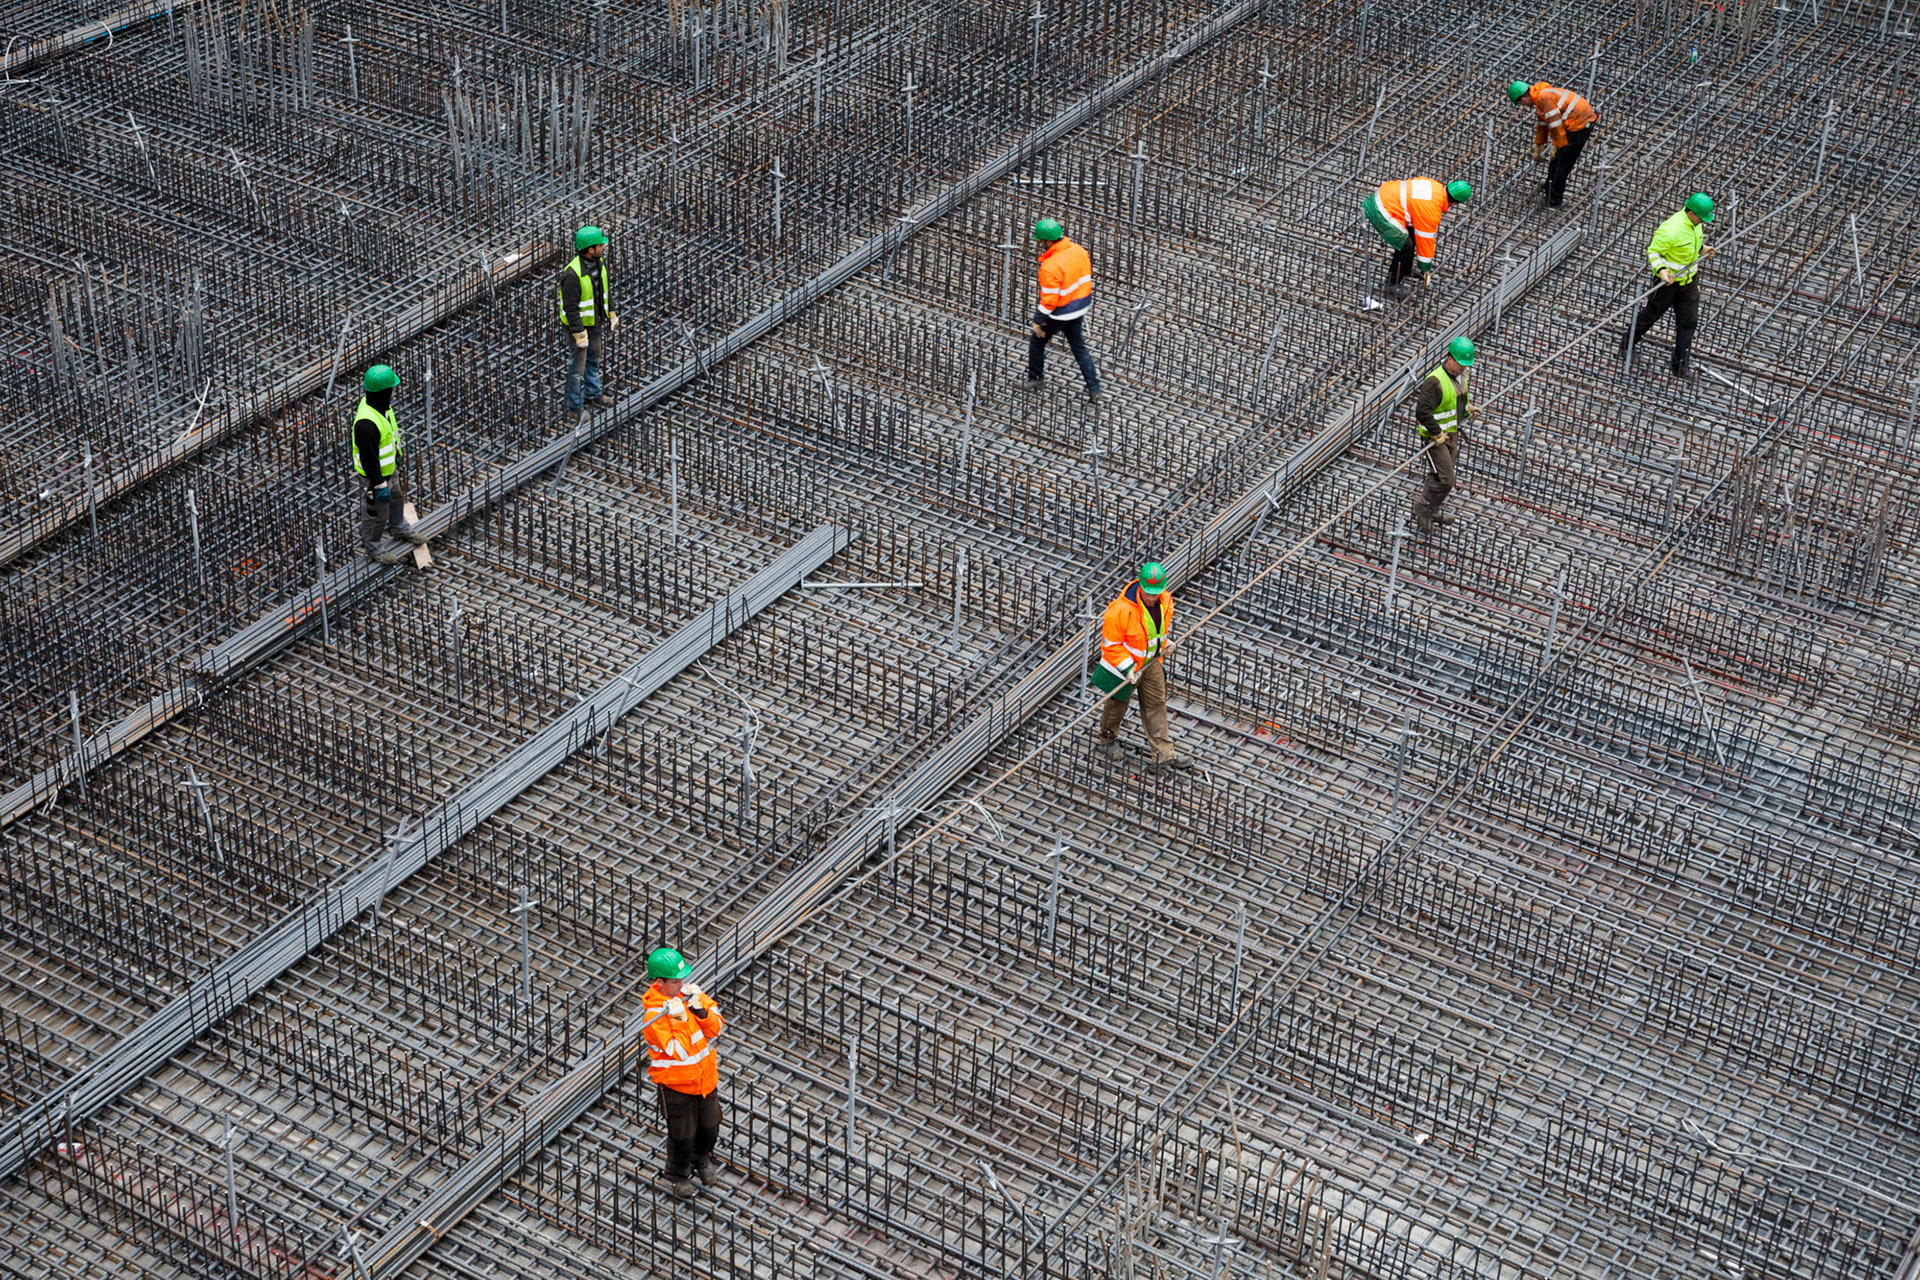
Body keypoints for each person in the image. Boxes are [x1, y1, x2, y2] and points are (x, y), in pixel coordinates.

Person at [1092, 562, 1191, 775]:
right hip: (1124, 667)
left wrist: (1166, 644)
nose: (1152, 597)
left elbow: (1155, 632)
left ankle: (1163, 753)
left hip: (1150, 663)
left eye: (1156, 593)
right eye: (1148, 593)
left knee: (1156, 703)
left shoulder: (1165, 602)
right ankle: (1106, 738)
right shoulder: (1120, 610)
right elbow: (1111, 646)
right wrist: (1128, 668)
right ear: (1141, 586)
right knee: (1117, 704)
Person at [643, 947, 725, 1198]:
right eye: (676, 981)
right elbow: (677, 1050)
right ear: (660, 982)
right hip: (677, 1087)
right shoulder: (655, 1015)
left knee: (710, 1127)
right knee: (682, 1136)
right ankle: (678, 1175)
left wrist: (701, 1012)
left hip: (705, 1080)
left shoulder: (692, 995)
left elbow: (717, 1028)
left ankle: (701, 1161)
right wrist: (679, 1018)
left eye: (683, 979)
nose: (681, 985)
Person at [1620, 193, 1716, 381]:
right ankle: (1626, 345)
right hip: (1667, 285)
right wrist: (1662, 271)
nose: (1703, 223)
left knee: (1688, 323)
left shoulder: (1695, 226)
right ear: (1691, 213)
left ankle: (1680, 366)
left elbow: (1689, 246)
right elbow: (1653, 252)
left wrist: (1702, 249)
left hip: (1688, 283)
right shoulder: (1671, 228)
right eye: (1701, 218)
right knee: (1650, 316)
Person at [351, 364, 427, 564]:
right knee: (376, 512)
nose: (393, 392)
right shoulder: (366, 424)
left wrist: (397, 455)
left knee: (396, 499)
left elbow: (390, 434)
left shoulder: (382, 407)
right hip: (374, 476)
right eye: (391, 389)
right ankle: (374, 547)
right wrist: (378, 483)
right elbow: (369, 459)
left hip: (389, 468)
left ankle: (399, 527)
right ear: (383, 391)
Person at [1022, 218, 1102, 402]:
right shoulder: (1078, 250)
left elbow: (1050, 300)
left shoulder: (1050, 267)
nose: (1040, 244)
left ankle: (1036, 379)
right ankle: (1094, 389)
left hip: (1060, 313)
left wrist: (1038, 320)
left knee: (1037, 341)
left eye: (1041, 241)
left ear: (1048, 241)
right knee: (1079, 348)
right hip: (1079, 307)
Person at [1364, 178, 1472, 305]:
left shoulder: (1435, 186)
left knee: (1411, 234)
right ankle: (1392, 284)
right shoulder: (1431, 210)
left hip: (1385, 196)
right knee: (1405, 245)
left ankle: (1406, 268)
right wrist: (1425, 268)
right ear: (1455, 202)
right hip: (1381, 208)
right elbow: (1426, 240)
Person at [1411, 336, 1476, 535]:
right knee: (1446, 479)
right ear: (1450, 359)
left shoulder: (1459, 377)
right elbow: (1422, 411)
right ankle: (1423, 510)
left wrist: (1467, 409)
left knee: (1438, 476)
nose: (1463, 368)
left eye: (1466, 365)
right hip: (1435, 438)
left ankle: (1432, 510)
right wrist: (1436, 432)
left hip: (1452, 434)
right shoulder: (1435, 381)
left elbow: (1454, 401)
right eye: (1461, 364)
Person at [1508, 80, 1597, 209]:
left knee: (1561, 163)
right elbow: (1543, 125)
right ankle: (1551, 185)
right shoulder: (1540, 98)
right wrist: (1539, 146)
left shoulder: (1544, 98)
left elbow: (1555, 125)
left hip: (1579, 126)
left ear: (1523, 99)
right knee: (1556, 161)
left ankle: (1554, 199)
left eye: (1520, 104)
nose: (1523, 106)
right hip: (1576, 123)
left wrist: (1557, 145)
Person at [559, 225, 619, 414]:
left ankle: (594, 395)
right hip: (579, 328)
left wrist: (611, 313)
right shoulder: (572, 274)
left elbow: (604, 292)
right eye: (600, 245)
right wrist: (578, 333)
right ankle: (575, 407)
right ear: (590, 249)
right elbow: (570, 308)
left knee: (594, 360)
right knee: (577, 369)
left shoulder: (599, 264)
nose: (604, 247)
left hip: (595, 324)